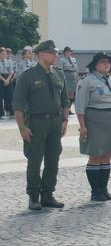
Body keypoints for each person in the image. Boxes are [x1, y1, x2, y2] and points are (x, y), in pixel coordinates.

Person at [13, 40, 70, 210]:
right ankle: (34, 196)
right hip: (36, 123)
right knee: (35, 161)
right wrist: (22, 128)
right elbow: (18, 105)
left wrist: (65, 121)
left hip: (55, 122)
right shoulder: (28, 76)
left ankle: (48, 194)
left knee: (53, 160)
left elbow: (66, 101)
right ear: (42, 54)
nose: (56, 56)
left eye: (56, 52)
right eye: (52, 53)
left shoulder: (59, 74)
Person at [76, 52, 111, 202]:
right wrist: (82, 125)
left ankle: (104, 188)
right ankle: (95, 190)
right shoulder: (87, 81)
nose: (106, 64)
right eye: (103, 62)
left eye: (108, 62)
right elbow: (80, 105)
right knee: (95, 155)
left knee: (108, 155)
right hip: (95, 120)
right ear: (95, 65)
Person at [0, 47, 16, 118]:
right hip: (1, 78)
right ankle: (1, 114)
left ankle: (11, 112)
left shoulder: (9, 62)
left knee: (10, 95)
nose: (4, 55)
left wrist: (8, 80)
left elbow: (11, 71)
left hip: (8, 78)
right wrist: (4, 80)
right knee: (1, 96)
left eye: (5, 54)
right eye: (2, 53)